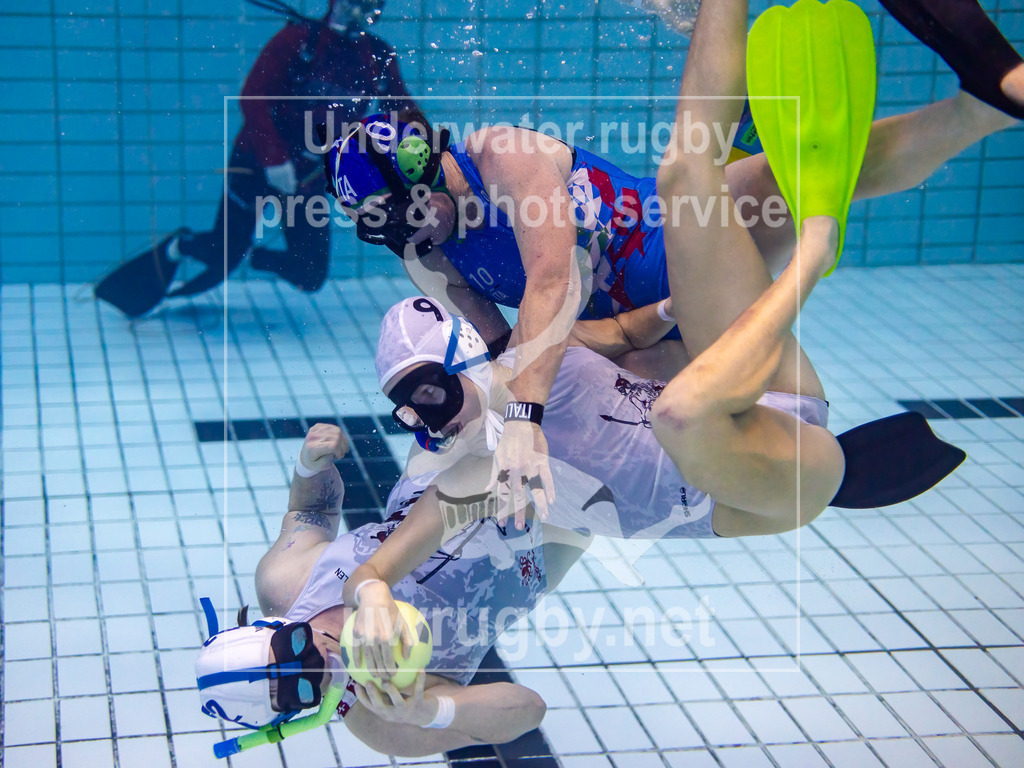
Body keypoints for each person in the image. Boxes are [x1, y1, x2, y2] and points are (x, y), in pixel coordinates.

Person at [335, 0, 995, 676]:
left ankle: (983, 109)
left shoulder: (501, 156)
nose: (404, 235)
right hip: (654, 323)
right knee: (635, 378)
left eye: (403, 214)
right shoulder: (424, 250)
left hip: (663, 246)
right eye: (383, 226)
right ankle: (785, 457)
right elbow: (516, 355)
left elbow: (552, 282)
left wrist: (527, 417)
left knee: (760, 180)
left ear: (426, 170)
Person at [194, 422, 595, 756]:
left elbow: (310, 513)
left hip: (438, 484)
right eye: (301, 688)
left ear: (269, 625)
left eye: (292, 646)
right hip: (537, 544)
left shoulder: (284, 581)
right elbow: (528, 711)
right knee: (603, 454)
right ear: (293, 714)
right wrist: (428, 710)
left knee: (522, 381)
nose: (319, 658)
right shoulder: (382, 720)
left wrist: (309, 465)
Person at [95, 0, 422, 318]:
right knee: (221, 255)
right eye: (351, 2)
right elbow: (252, 97)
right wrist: (273, 158)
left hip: (307, 176)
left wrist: (427, 153)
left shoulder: (377, 55)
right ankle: (182, 246)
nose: (358, 12)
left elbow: (399, 109)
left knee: (309, 275)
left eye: (369, 5)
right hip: (255, 163)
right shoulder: (299, 41)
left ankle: (248, 253)